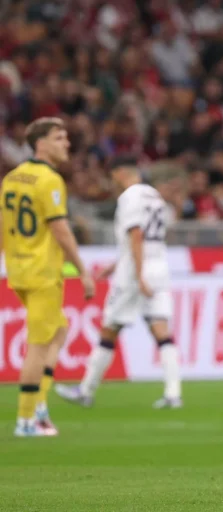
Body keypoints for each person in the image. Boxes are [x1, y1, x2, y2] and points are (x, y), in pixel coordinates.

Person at [55, 157, 182, 409]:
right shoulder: (154, 196)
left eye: (112, 175)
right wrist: (113, 266)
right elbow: (146, 239)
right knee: (161, 329)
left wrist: (138, 274)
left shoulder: (130, 197)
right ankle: (173, 394)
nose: (111, 181)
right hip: (159, 265)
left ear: (121, 172)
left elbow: (136, 235)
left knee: (109, 328)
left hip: (137, 271)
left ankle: (86, 390)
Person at [0, 117, 95, 437]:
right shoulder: (49, 179)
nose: (66, 143)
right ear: (41, 143)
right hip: (43, 271)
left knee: (59, 330)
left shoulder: (12, 177)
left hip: (19, 269)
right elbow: (61, 230)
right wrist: (83, 270)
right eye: (59, 138)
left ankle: (39, 404)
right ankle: (26, 420)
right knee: (39, 345)